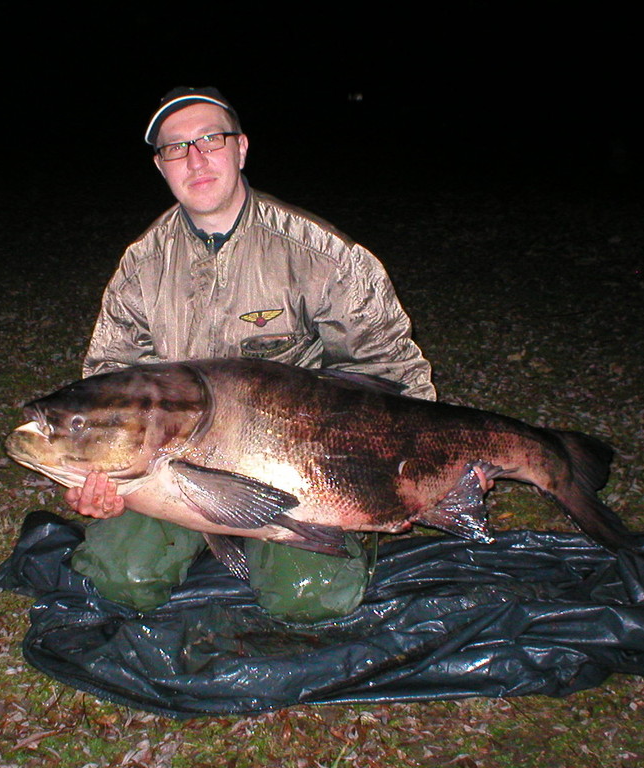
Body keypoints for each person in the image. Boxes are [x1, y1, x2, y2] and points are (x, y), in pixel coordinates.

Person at [64, 86, 436, 621]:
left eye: (210, 139)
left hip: (308, 467)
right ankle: (202, 537)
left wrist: (410, 472)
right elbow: (106, 384)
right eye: (176, 148)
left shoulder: (321, 255)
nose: (195, 158)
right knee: (121, 577)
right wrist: (92, 482)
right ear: (161, 166)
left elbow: (392, 370)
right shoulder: (141, 268)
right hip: (175, 468)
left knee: (309, 599)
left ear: (240, 149)